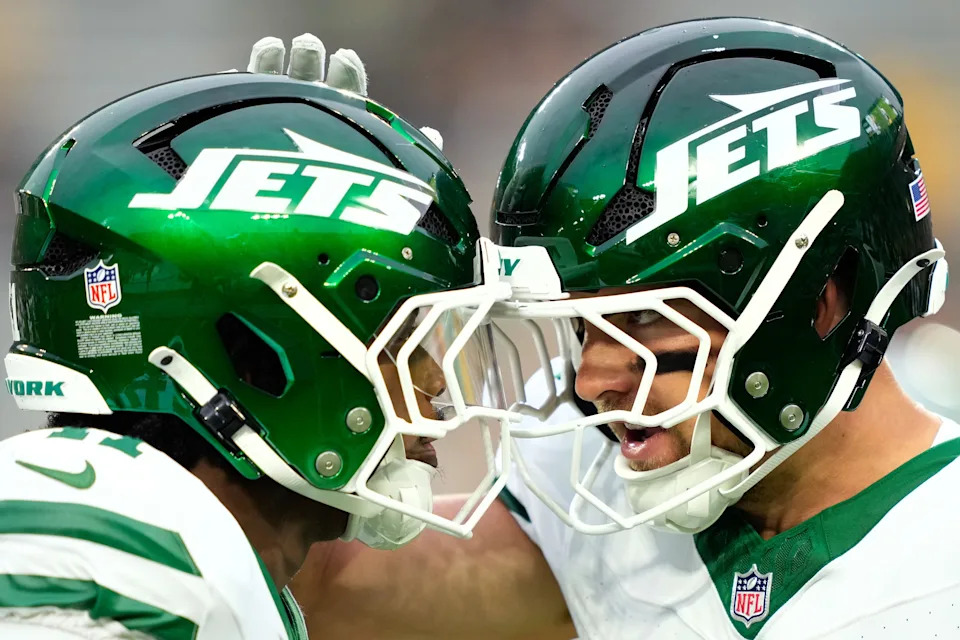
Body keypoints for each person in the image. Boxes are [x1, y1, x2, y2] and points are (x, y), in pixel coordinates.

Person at [274, 19, 958, 640]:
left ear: (820, 302)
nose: (591, 380)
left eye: (641, 320)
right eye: (582, 322)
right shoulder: (604, 481)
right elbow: (334, 598)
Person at [0, 46, 511, 638]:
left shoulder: (209, 552)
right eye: (408, 341)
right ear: (264, 356)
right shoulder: (117, 549)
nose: (436, 383)